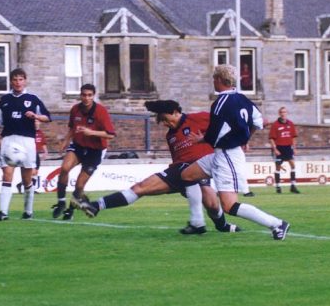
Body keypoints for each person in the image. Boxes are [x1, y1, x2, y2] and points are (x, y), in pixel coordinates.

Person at [76, 100, 240, 234]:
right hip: (180, 171)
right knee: (140, 187)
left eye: (166, 118)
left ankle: (218, 226)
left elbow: (224, 125)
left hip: (200, 169)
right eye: (162, 120)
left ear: (176, 112)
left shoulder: (198, 118)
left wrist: (237, 139)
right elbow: (178, 158)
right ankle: (96, 206)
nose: (165, 123)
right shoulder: (171, 135)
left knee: (212, 204)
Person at [180, 65, 289, 240]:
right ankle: (197, 221)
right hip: (221, 153)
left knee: (229, 206)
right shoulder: (243, 99)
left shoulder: (219, 103)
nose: (213, 82)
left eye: (214, 78)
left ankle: (276, 224)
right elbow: (258, 122)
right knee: (187, 175)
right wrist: (245, 139)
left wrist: (202, 139)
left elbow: (214, 133)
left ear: (219, 80)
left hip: (227, 156)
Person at [0, 68, 50, 221]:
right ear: (11, 81)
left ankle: (28, 211)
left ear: (25, 81)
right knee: (7, 175)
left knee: (27, 180)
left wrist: (35, 116)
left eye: (21, 79)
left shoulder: (33, 98)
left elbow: (47, 117)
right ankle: (3, 212)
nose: (18, 82)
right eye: (15, 79)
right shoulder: (4, 100)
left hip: (27, 141)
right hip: (9, 140)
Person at [52, 83, 116, 220]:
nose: (86, 98)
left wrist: (91, 132)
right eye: (84, 95)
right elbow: (71, 128)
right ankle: (61, 202)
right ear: (80, 95)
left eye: (89, 95)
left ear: (93, 96)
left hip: (95, 150)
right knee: (64, 168)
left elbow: (110, 134)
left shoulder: (101, 111)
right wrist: (65, 141)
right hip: (78, 146)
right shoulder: (75, 109)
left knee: (79, 185)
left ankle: (70, 210)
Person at [269, 106, 300, 194]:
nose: (283, 114)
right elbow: (271, 138)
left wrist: (294, 148)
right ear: (279, 114)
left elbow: (293, 137)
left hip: (288, 147)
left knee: (293, 165)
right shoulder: (275, 125)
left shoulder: (290, 124)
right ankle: (278, 186)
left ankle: (293, 186)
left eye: (285, 112)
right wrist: (275, 149)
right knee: (278, 167)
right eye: (282, 112)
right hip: (279, 147)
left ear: (287, 113)